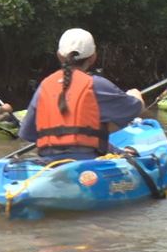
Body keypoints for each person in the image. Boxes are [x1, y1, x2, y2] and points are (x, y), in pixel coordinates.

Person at [18, 28, 145, 160]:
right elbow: (134, 109)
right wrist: (136, 95)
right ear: (93, 57)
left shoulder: (44, 86)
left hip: (49, 164)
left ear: (59, 55)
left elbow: (28, 134)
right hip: (88, 163)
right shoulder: (97, 85)